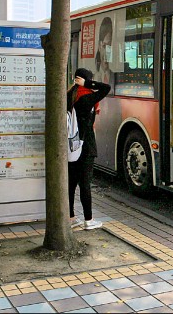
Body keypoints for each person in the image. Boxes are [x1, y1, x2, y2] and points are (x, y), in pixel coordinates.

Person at [68, 68, 111, 230]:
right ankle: (88, 220)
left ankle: (71, 217)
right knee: (85, 183)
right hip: (85, 147)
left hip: (71, 146)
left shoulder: (69, 95)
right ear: (86, 80)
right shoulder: (87, 98)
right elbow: (106, 88)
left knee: (71, 182)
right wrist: (87, 83)